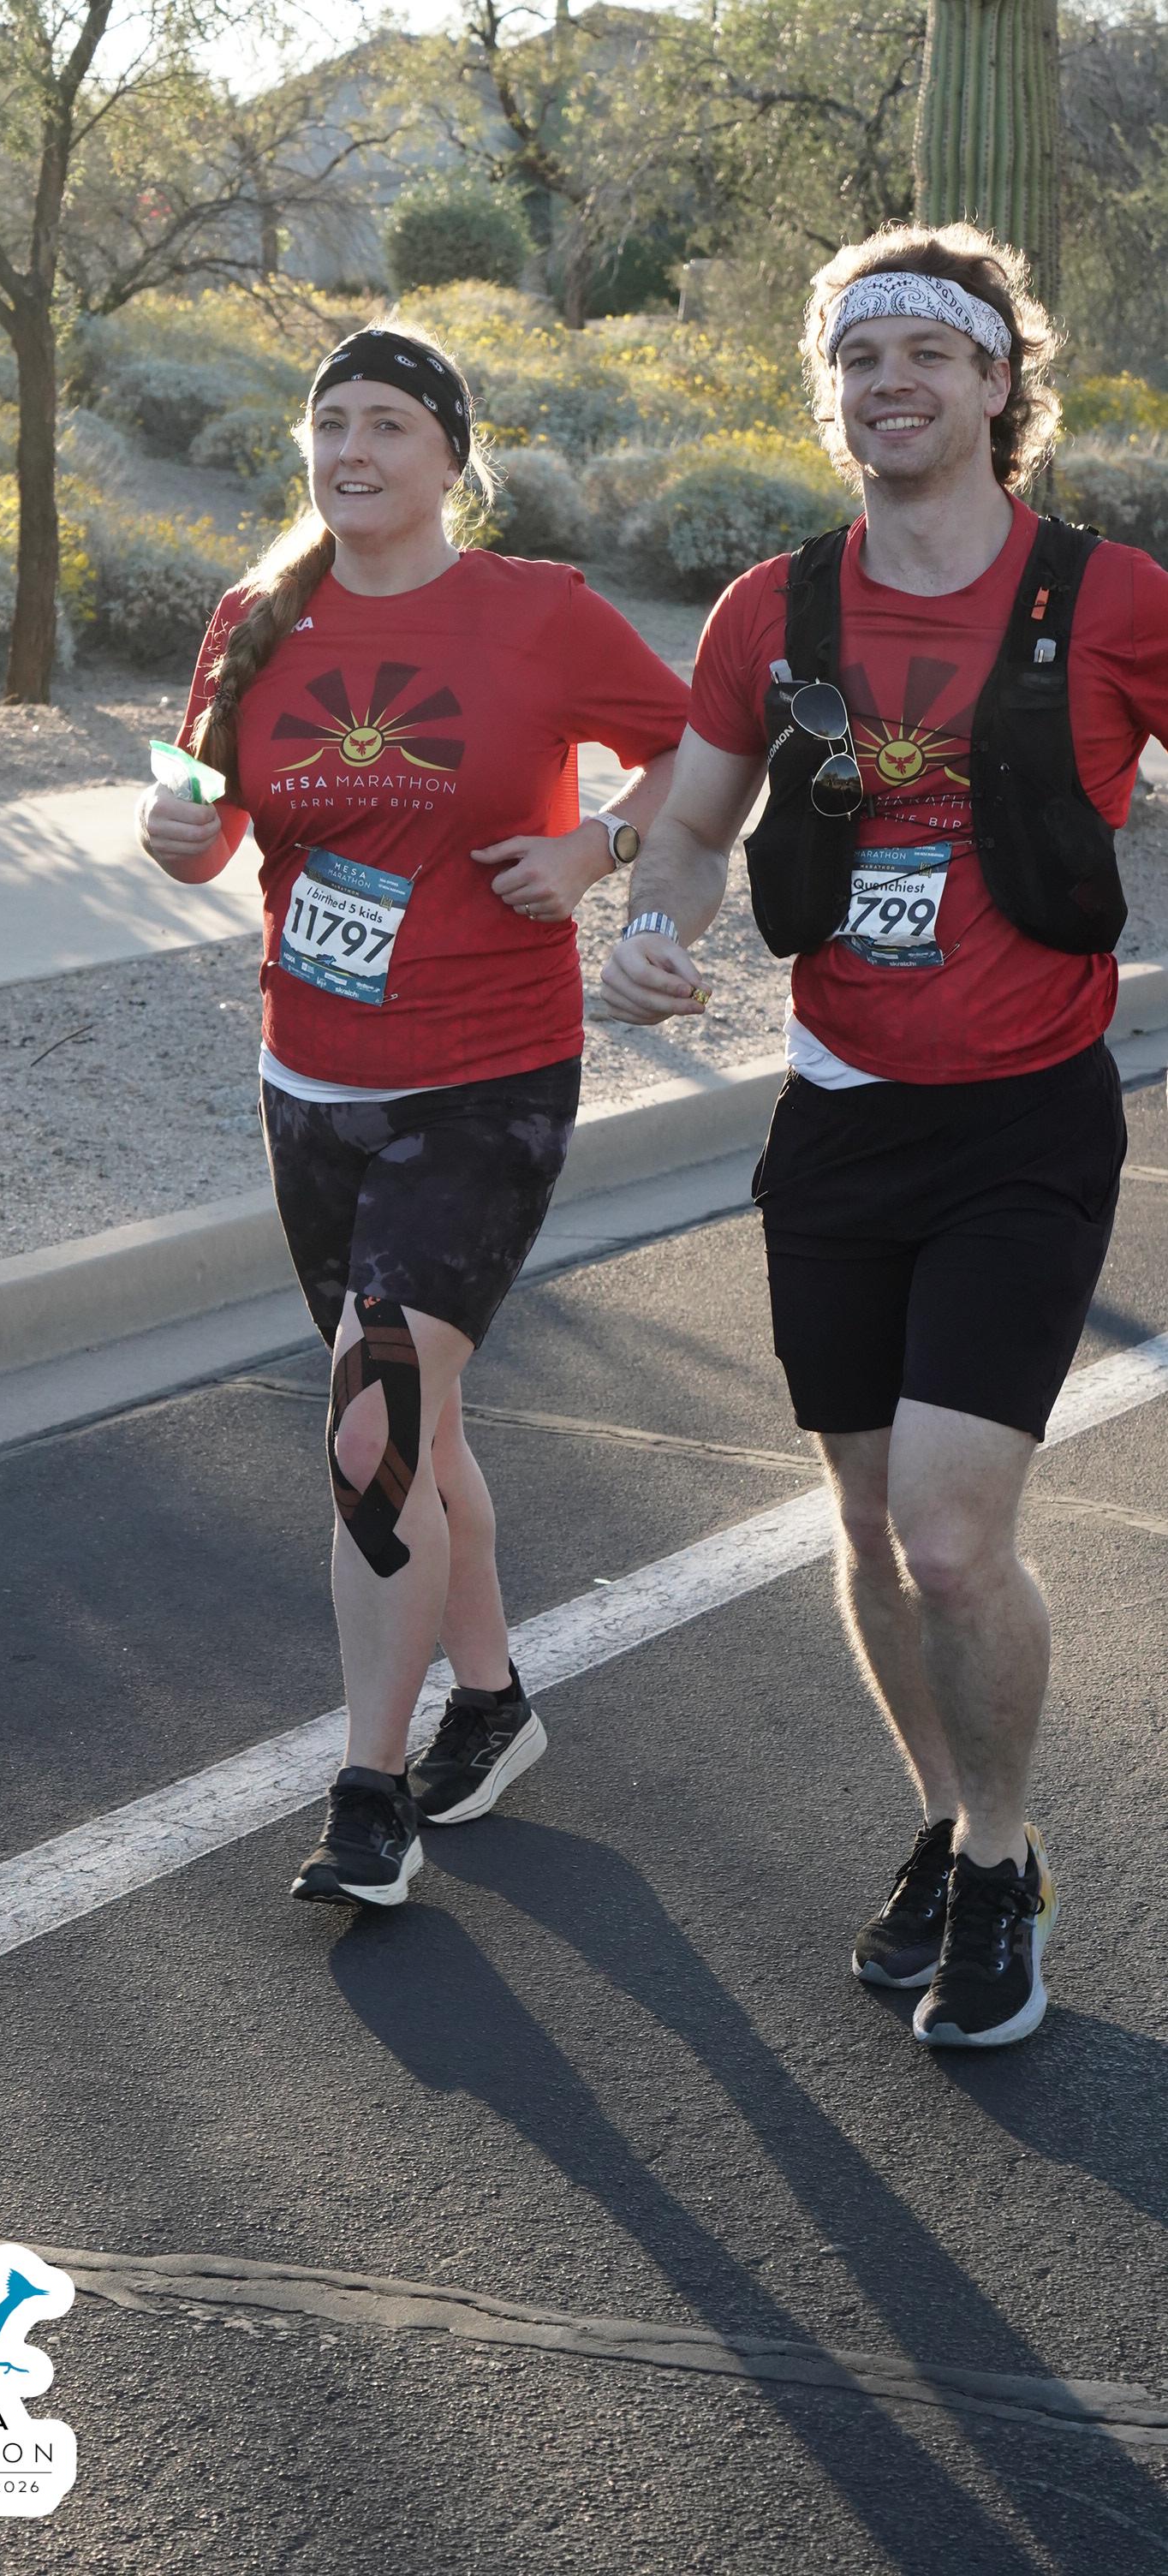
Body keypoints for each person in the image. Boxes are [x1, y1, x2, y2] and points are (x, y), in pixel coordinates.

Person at [601, 224, 1168, 2048]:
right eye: (857, 357)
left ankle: (1002, 1864)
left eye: (929, 351)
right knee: (860, 1513)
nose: (889, 382)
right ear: (828, 393)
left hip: (1024, 1121)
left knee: (945, 1533)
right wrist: (654, 928)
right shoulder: (771, 612)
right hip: (838, 1116)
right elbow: (695, 828)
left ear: (1000, 383)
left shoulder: (1110, 599)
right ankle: (942, 1815)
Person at [138, 320, 692, 1906]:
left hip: (485, 1080)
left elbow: (700, 751)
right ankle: (493, 1704)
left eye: (388, 423)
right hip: (309, 1083)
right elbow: (198, 803)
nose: (353, 451)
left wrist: (595, 848)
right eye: (332, 423)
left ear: (453, 454)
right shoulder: (255, 615)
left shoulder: (539, 612)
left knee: (372, 1416)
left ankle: (367, 1794)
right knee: (416, 1421)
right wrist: (175, 826)